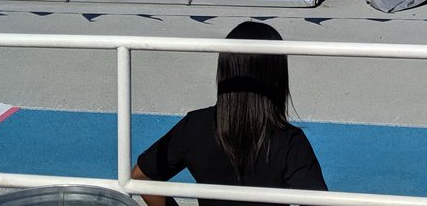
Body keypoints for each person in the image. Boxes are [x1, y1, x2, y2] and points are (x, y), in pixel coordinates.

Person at [133, 21, 326, 206]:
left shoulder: (196, 126)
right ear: (278, 76)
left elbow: (142, 176)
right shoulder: (289, 141)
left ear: (224, 70)